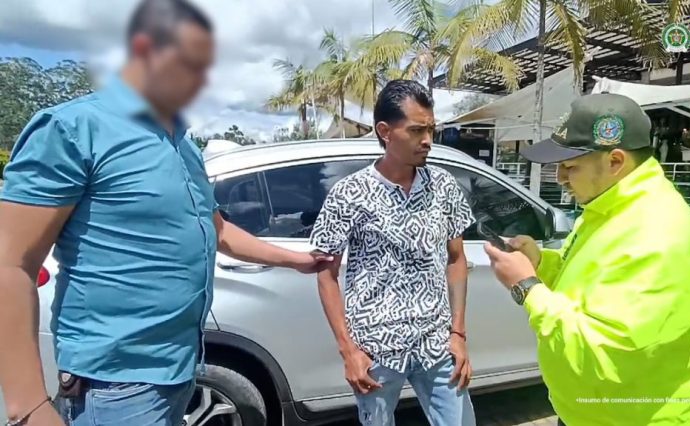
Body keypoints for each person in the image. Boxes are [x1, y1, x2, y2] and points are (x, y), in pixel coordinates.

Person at [0, 1, 330, 425]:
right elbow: (13, 263)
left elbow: (219, 230)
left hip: (181, 369)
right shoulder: (73, 129)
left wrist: (298, 260)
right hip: (113, 385)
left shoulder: (182, 145)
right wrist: (27, 406)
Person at [484, 93, 690, 426]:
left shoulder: (662, 237)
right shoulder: (604, 209)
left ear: (615, 162)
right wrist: (542, 264)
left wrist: (528, 287)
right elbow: (593, 283)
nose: (560, 179)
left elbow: (605, 355)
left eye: (570, 166)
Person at [309, 80, 477, 426]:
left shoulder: (443, 186)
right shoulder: (349, 194)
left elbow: (456, 259)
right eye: (416, 130)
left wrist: (458, 335)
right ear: (384, 131)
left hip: (436, 342)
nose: (428, 140)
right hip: (375, 348)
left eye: (430, 129)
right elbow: (326, 274)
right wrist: (349, 351)